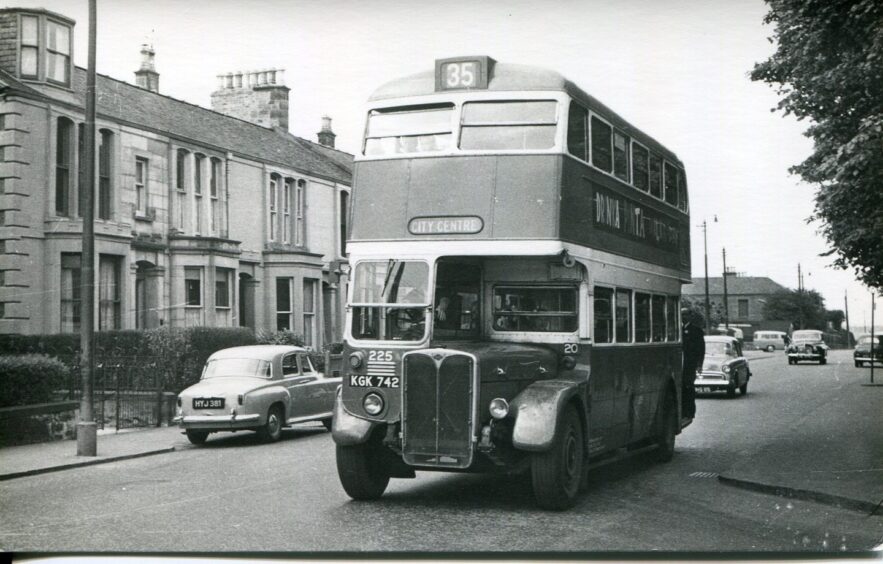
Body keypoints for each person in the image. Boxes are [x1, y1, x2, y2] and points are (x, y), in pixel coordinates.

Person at [681, 308, 705, 422]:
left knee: (689, 386)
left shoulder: (696, 331)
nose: (683, 317)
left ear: (690, 316)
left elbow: (701, 349)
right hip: (680, 364)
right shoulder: (677, 329)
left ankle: (689, 412)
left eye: (685, 314)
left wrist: (699, 365)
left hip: (690, 364)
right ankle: (682, 411)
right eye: (682, 314)